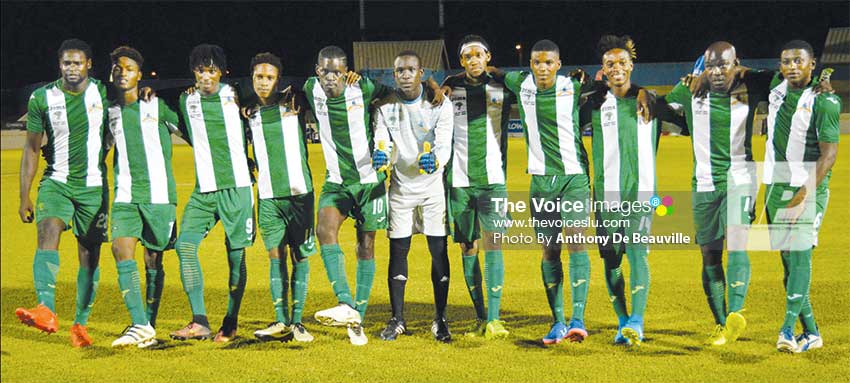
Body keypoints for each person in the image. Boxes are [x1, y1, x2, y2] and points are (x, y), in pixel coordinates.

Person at [16, 38, 109, 348]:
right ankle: (46, 310)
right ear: (59, 65)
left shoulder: (104, 92)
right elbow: (31, 148)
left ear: (89, 64)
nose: (72, 68)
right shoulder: (42, 98)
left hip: (94, 188)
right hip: (56, 181)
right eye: (66, 63)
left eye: (77, 63)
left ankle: (80, 325)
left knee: (89, 257)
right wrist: (24, 195)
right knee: (48, 230)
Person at [169, 44, 254, 343]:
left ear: (222, 72)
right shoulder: (185, 100)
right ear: (193, 72)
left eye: (212, 70)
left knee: (235, 258)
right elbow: (189, 134)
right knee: (185, 246)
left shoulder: (237, 93)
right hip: (204, 190)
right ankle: (200, 321)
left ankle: (230, 321)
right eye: (201, 70)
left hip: (237, 189)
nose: (206, 76)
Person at [761, 40, 839, 353]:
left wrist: (804, 194)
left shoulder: (825, 101)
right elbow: (737, 70)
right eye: (786, 61)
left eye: (798, 61)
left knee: (800, 255)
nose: (792, 66)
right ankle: (812, 333)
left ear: (812, 64)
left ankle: (786, 330)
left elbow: (829, 155)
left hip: (808, 187)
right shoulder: (775, 85)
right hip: (776, 187)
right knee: (789, 264)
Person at [372, 50, 453, 343]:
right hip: (401, 190)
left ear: (421, 72)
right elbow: (383, 140)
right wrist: (382, 152)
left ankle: (441, 319)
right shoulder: (385, 106)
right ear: (394, 75)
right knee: (398, 252)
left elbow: (444, 143)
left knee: (438, 251)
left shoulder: (440, 104)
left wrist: (438, 160)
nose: (405, 75)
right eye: (399, 71)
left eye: (410, 69)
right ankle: (397, 319)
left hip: (432, 190)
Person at [440, 35, 514, 339]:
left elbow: (533, 90)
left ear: (488, 57)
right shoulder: (449, 89)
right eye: (467, 56)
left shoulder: (503, 88)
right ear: (461, 61)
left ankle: (495, 319)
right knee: (467, 246)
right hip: (458, 182)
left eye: (478, 55)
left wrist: (501, 73)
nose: (473, 60)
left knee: (493, 243)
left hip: (493, 181)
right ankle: (481, 316)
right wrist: (442, 83)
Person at [106, 46, 179, 348]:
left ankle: (149, 325)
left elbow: (192, 132)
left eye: (129, 68)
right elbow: (99, 150)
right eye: (117, 68)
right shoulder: (107, 113)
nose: (122, 73)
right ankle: (139, 322)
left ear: (139, 74)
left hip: (160, 196)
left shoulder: (158, 106)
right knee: (120, 248)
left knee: (153, 259)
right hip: (125, 194)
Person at [246, 52, 317, 343]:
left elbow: (321, 90)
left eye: (270, 77)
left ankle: (298, 322)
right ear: (251, 79)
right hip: (268, 197)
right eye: (259, 77)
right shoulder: (247, 112)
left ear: (278, 80)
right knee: (276, 256)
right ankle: (280, 320)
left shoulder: (295, 103)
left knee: (300, 255)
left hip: (300, 195)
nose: (264, 82)